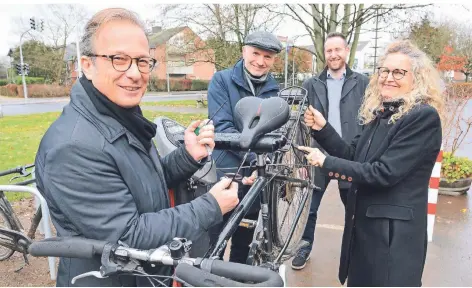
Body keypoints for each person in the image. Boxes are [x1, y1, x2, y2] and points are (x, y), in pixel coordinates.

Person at [34, 8, 239, 287]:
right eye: (119, 59)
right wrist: (211, 207)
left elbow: (143, 184)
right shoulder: (73, 147)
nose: (134, 73)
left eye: (143, 61)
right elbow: (127, 234)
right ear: (87, 64)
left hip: (142, 275)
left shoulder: (120, 117)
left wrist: (187, 157)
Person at [298, 40, 444, 286]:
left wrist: (325, 162)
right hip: (366, 231)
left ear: (417, 78)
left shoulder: (421, 117)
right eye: (384, 71)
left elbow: (384, 173)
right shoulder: (381, 113)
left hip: (392, 240)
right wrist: (323, 129)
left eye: (399, 72)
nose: (389, 77)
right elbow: (352, 154)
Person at [291, 32, 369, 270]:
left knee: (355, 208)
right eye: (329, 51)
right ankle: (304, 246)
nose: (333, 54)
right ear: (324, 54)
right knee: (310, 207)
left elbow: (369, 120)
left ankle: (358, 251)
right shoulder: (311, 84)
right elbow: (300, 124)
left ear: (346, 52)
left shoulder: (363, 82)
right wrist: (300, 160)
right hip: (318, 154)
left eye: (338, 50)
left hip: (349, 155)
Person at [207, 31, 283, 264]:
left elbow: (276, 131)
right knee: (216, 241)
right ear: (244, 51)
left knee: (244, 240)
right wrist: (255, 158)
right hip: (225, 174)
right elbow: (223, 127)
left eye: (267, 57)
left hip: (256, 178)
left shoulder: (274, 89)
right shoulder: (222, 80)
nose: (260, 61)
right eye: (256, 53)